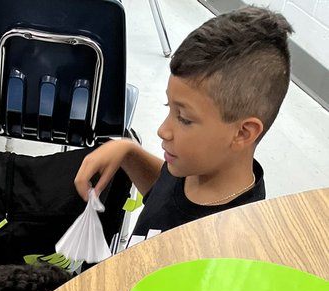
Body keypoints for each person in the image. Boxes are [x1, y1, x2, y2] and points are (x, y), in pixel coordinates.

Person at [74, 8, 292, 244]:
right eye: (169, 107)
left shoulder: (228, 244)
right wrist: (129, 153)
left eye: (185, 119)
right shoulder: (194, 166)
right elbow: (168, 195)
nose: (163, 130)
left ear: (242, 133)